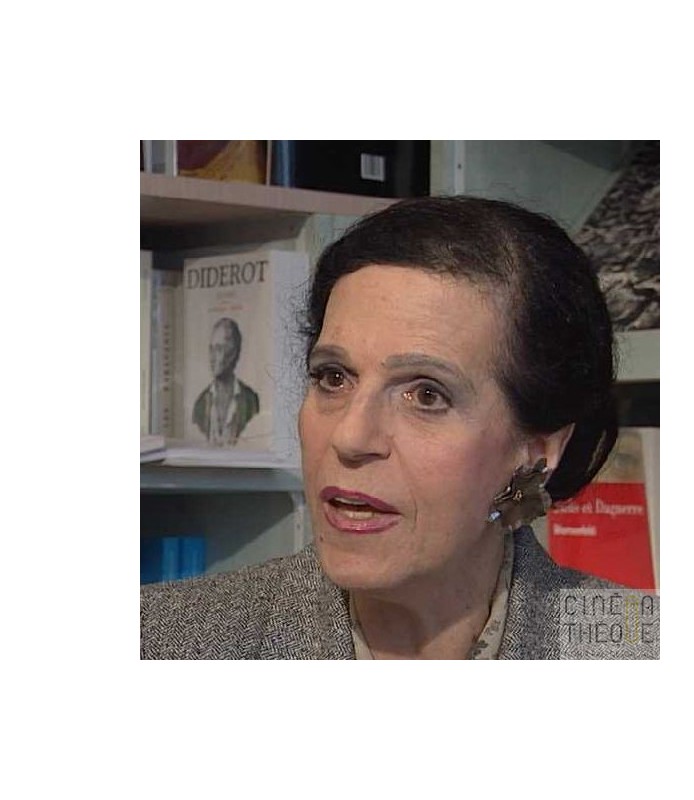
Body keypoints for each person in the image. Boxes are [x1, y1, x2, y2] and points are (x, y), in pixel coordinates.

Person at [142, 196, 658, 659]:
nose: (350, 437)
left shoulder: (641, 651)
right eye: (333, 377)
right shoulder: (158, 642)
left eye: (426, 395)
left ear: (537, 451)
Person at [191, 317, 260, 446]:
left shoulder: (250, 400)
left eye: (218, 349)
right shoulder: (200, 404)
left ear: (233, 353)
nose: (212, 357)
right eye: (211, 349)